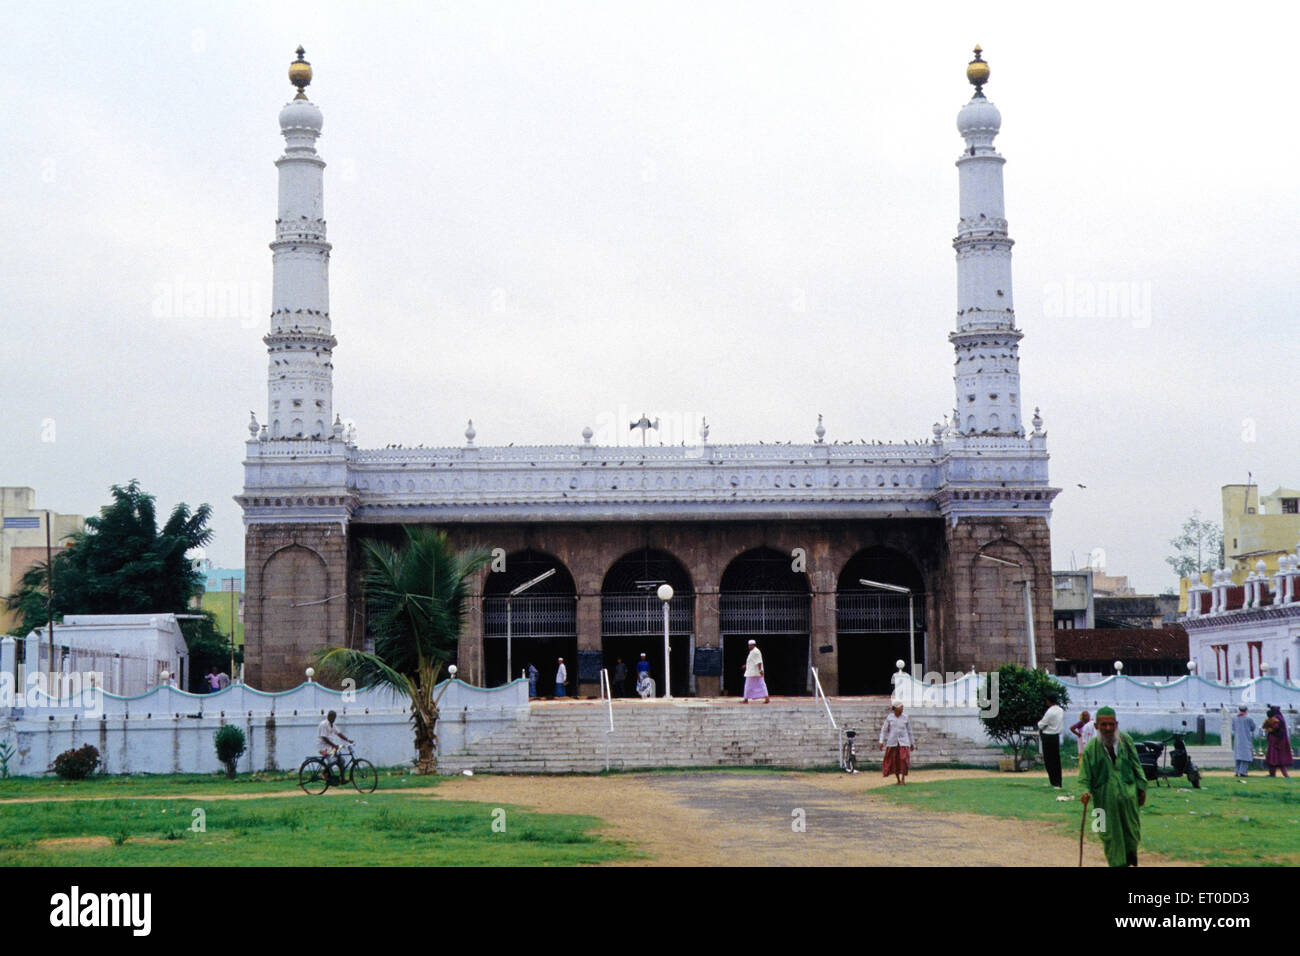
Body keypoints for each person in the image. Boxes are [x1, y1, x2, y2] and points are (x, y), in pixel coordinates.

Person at [1078, 706, 1146, 867]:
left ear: (1117, 724)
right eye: (1103, 725)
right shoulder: (1090, 749)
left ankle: (1129, 861)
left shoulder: (1126, 741)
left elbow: (1137, 766)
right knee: (1107, 835)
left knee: (1132, 833)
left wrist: (1141, 788)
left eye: (1111, 724)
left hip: (1128, 798)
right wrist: (1085, 792)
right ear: (1096, 726)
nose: (1108, 728)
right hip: (1102, 804)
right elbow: (1084, 777)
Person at [879, 702, 915, 784]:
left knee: (903, 759)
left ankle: (903, 778)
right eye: (900, 707)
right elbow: (884, 730)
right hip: (893, 742)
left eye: (902, 707)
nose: (902, 709)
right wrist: (881, 741)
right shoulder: (890, 717)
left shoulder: (905, 717)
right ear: (895, 708)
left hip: (904, 742)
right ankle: (898, 779)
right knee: (894, 761)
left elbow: (909, 731)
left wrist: (912, 743)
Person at [316, 710, 354, 783]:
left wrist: (348, 740)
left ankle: (342, 779)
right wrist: (333, 745)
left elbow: (339, 733)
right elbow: (324, 738)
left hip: (330, 747)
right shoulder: (323, 724)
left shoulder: (332, 725)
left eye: (334, 718)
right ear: (328, 716)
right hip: (322, 747)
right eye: (333, 717)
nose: (334, 719)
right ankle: (324, 773)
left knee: (341, 761)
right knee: (333, 761)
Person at [1037, 692, 1065, 787]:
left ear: (1049, 701)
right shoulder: (1060, 710)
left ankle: (1053, 781)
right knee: (1056, 760)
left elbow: (1041, 724)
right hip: (1056, 736)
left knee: (1049, 760)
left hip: (1048, 736)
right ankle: (1058, 781)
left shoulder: (1049, 712)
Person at [1264, 705, 1292, 778]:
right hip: (1280, 740)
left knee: (1274, 757)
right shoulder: (1280, 717)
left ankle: (1273, 773)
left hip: (1275, 740)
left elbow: (1276, 728)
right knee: (1280, 757)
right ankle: (1284, 774)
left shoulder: (1276, 718)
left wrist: (1269, 729)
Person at [741, 639, 769, 704]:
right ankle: (746, 699)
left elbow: (759, 662)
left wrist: (760, 670)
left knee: (761, 684)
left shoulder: (756, 651)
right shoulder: (752, 652)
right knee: (749, 685)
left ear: (754, 645)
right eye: (749, 645)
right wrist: (746, 665)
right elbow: (752, 661)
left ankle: (767, 698)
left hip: (756, 672)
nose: (749, 646)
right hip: (751, 672)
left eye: (751, 645)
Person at [1231, 704, 1256, 778]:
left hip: (1237, 739)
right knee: (1245, 756)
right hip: (1246, 738)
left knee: (1238, 756)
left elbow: (1233, 728)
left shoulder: (1234, 718)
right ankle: (1243, 772)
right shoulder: (1248, 718)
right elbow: (1253, 728)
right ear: (1246, 710)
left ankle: (1237, 771)